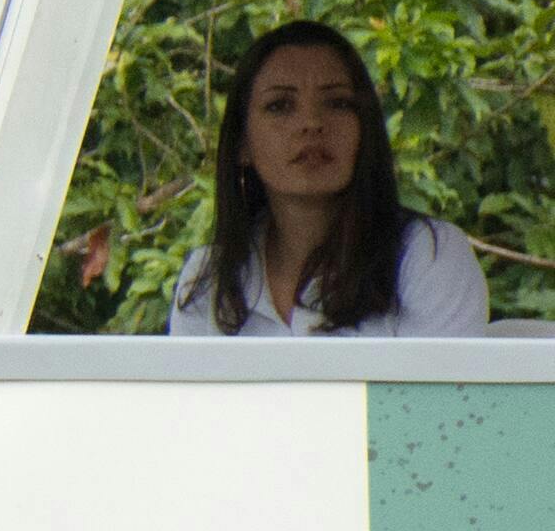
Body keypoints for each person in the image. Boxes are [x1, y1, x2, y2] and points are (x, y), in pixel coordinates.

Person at [170, 22, 493, 337]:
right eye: (280, 106)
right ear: (242, 143)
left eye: (337, 103)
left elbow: (439, 393)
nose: (311, 123)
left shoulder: (428, 256)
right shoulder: (207, 280)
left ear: (364, 129)